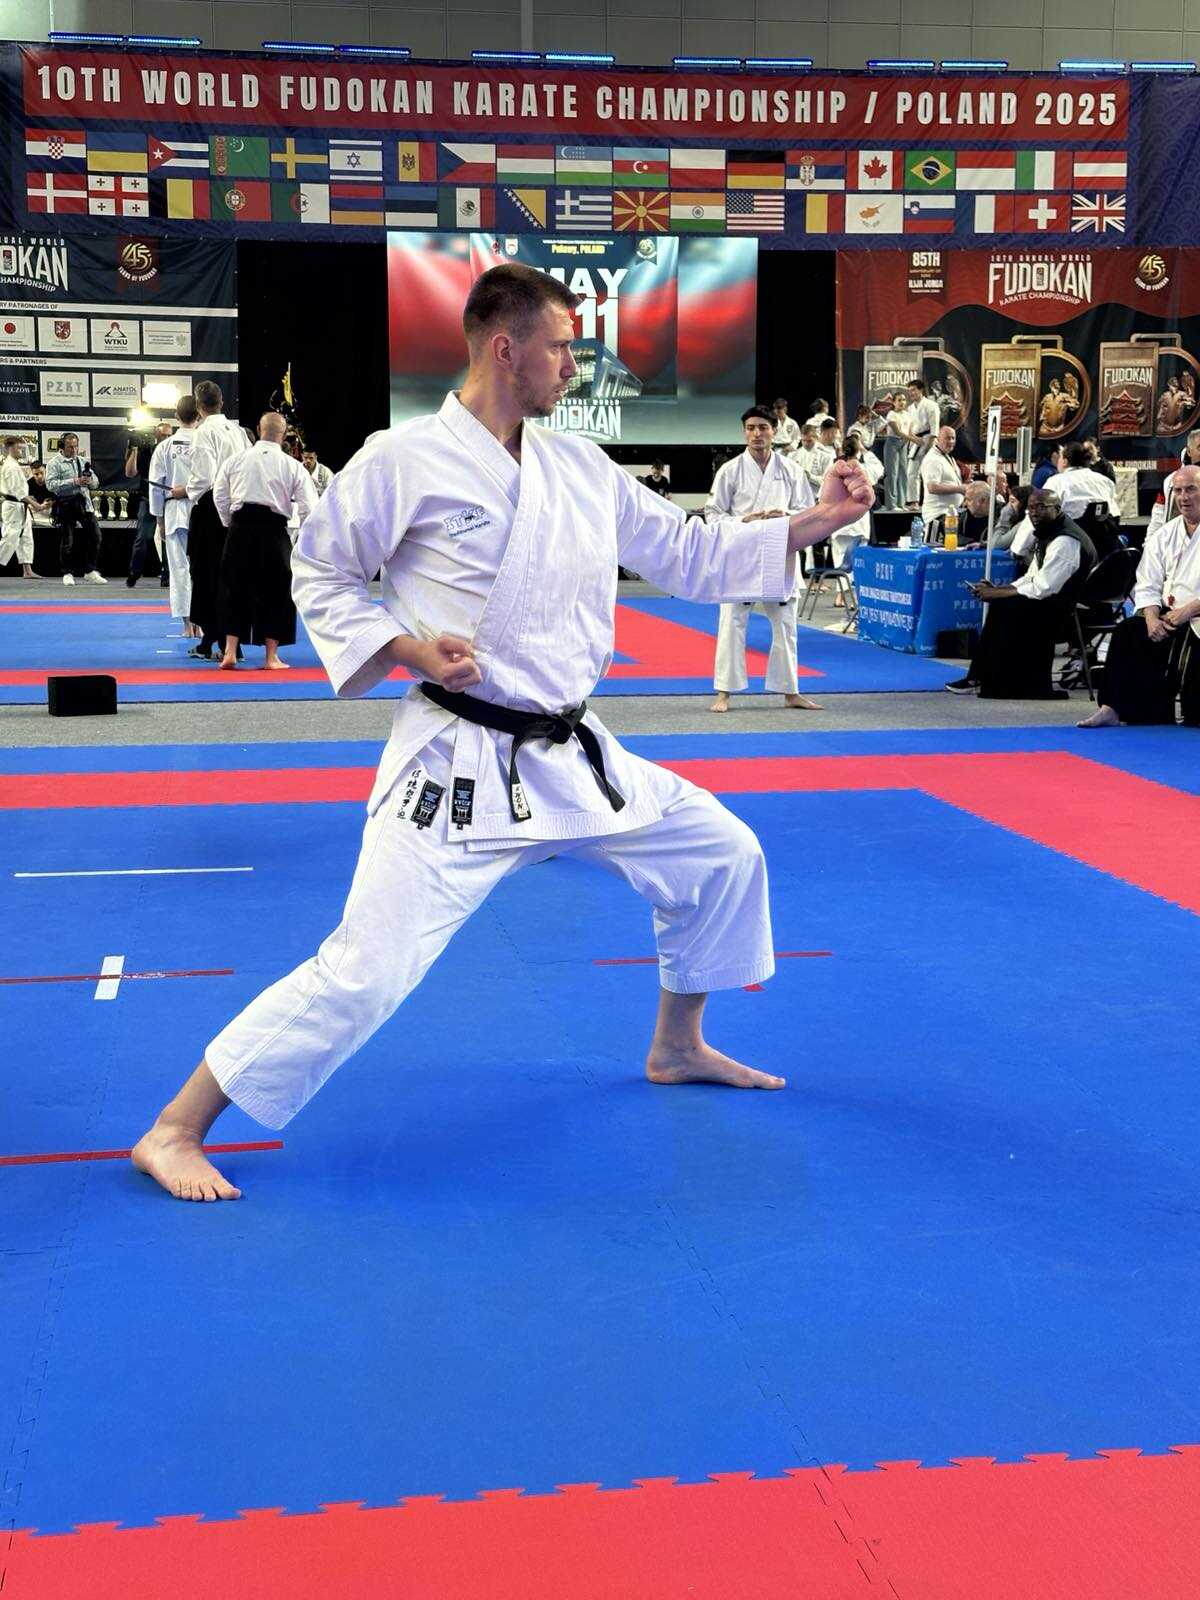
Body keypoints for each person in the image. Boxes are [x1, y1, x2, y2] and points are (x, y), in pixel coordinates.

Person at [130, 261, 874, 1202]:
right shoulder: (403, 459)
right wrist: (407, 647)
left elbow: (691, 551)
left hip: (572, 753)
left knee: (721, 855)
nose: (574, 365)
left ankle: (677, 1045)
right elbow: (320, 569)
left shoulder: (580, 467)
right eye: (561, 347)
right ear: (504, 348)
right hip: (458, 763)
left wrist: (818, 519)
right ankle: (174, 1129)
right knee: (365, 972)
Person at [708, 405, 818, 713]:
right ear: (744, 432)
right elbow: (713, 514)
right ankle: (724, 692)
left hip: (779, 553)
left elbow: (808, 512)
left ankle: (791, 691)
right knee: (732, 622)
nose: (757, 433)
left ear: (774, 431)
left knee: (785, 624)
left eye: (763, 427)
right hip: (741, 554)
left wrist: (785, 515)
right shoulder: (730, 470)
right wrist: (745, 519)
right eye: (751, 428)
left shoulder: (791, 470)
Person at [1078, 464, 1200, 728]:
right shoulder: (1166, 534)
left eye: (1191, 489)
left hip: (1195, 615)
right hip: (1168, 615)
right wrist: (1151, 618)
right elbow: (1148, 582)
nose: (1183, 497)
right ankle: (1112, 708)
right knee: (1130, 631)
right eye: (1178, 491)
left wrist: (1189, 610)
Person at [946, 487, 1095, 700]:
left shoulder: (1065, 541)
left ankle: (991, 681)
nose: (1034, 513)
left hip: (1062, 611)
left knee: (1004, 607)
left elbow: (1043, 587)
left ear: (1057, 508)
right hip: (1048, 599)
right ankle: (981, 677)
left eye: (1041, 507)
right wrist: (998, 590)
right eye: (1030, 508)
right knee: (1001, 604)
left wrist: (998, 594)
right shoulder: (1048, 532)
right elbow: (1031, 577)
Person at [213, 411, 319, 671]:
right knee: (277, 590)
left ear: (259, 430)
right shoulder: (292, 466)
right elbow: (309, 506)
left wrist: (230, 523)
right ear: (283, 435)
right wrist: (302, 536)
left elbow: (220, 495)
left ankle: (229, 652)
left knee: (233, 587)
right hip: (274, 529)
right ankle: (271, 657)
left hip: (240, 526)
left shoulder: (235, 460)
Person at [186, 380, 249, 660]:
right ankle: (223, 641)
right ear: (222, 402)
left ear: (198, 406)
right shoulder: (238, 432)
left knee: (206, 574)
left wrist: (188, 492)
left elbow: (203, 479)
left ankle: (222, 643)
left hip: (211, 509)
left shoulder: (203, 433)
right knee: (230, 574)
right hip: (238, 506)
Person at [148, 396, 200, 635]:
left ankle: (187, 625)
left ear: (177, 417)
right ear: (198, 415)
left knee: (179, 568)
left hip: (174, 511)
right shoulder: (205, 443)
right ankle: (202, 623)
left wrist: (158, 518)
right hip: (202, 511)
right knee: (202, 568)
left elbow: (155, 486)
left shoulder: (165, 447)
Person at [45, 433, 104, 586]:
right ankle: (67, 573)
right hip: (66, 505)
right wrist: (74, 481)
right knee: (68, 541)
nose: (74, 450)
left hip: (85, 504)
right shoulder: (54, 463)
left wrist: (90, 481)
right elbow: (51, 485)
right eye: (70, 447)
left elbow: (96, 483)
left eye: (76, 446)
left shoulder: (82, 461)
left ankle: (90, 571)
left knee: (96, 536)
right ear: (61, 447)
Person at [830, 434, 882, 600]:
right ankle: (857, 596)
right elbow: (880, 468)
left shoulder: (835, 468)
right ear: (858, 449)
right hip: (859, 521)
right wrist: (866, 451)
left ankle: (841, 595)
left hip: (840, 520)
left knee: (840, 556)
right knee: (858, 560)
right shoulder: (865, 469)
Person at [125, 422, 173, 589]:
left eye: (169, 435)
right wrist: (134, 449)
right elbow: (130, 473)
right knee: (143, 537)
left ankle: (167, 575)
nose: (166, 438)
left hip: (169, 500)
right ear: (156, 434)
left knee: (169, 538)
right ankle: (134, 572)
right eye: (163, 435)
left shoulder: (174, 453)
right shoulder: (146, 450)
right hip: (148, 499)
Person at [1044, 442, 1120, 521]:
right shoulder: (1105, 481)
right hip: (1104, 527)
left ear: (1064, 462)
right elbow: (1115, 513)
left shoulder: (1055, 482)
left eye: (1060, 457)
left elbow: (1043, 512)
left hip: (1069, 527)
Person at [1148, 429, 1200, 535]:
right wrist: (1150, 541)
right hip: (1178, 541)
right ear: (1189, 451)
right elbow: (1158, 514)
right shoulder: (1171, 481)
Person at [0, 436, 39, 579]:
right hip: (13, 506)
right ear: (10, 448)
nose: (21, 451)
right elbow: (18, 493)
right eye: (19, 448)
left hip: (20, 506)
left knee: (26, 537)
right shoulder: (11, 467)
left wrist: (29, 500)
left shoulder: (14, 465)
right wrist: (37, 505)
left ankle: (27, 571)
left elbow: (20, 491)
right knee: (10, 539)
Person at [919, 425, 964, 524]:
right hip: (937, 516)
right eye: (947, 438)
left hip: (949, 514)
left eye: (953, 438)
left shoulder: (946, 457)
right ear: (938, 439)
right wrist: (960, 489)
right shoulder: (933, 459)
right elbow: (932, 487)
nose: (951, 441)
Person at [906, 378, 941, 501]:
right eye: (909, 391)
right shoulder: (910, 408)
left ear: (921, 390)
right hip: (915, 442)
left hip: (928, 440)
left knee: (929, 474)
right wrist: (912, 439)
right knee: (911, 473)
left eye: (913, 390)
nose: (911, 393)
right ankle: (913, 501)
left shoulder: (931, 405)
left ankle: (930, 501)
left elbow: (935, 429)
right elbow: (909, 428)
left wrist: (928, 448)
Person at [881, 392, 911, 511]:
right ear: (893, 402)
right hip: (892, 442)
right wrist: (915, 439)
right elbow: (898, 432)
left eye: (904, 400)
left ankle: (901, 503)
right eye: (899, 400)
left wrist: (910, 439)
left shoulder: (907, 415)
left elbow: (909, 431)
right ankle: (891, 504)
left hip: (904, 443)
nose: (902, 402)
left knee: (903, 473)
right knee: (892, 474)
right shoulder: (891, 414)